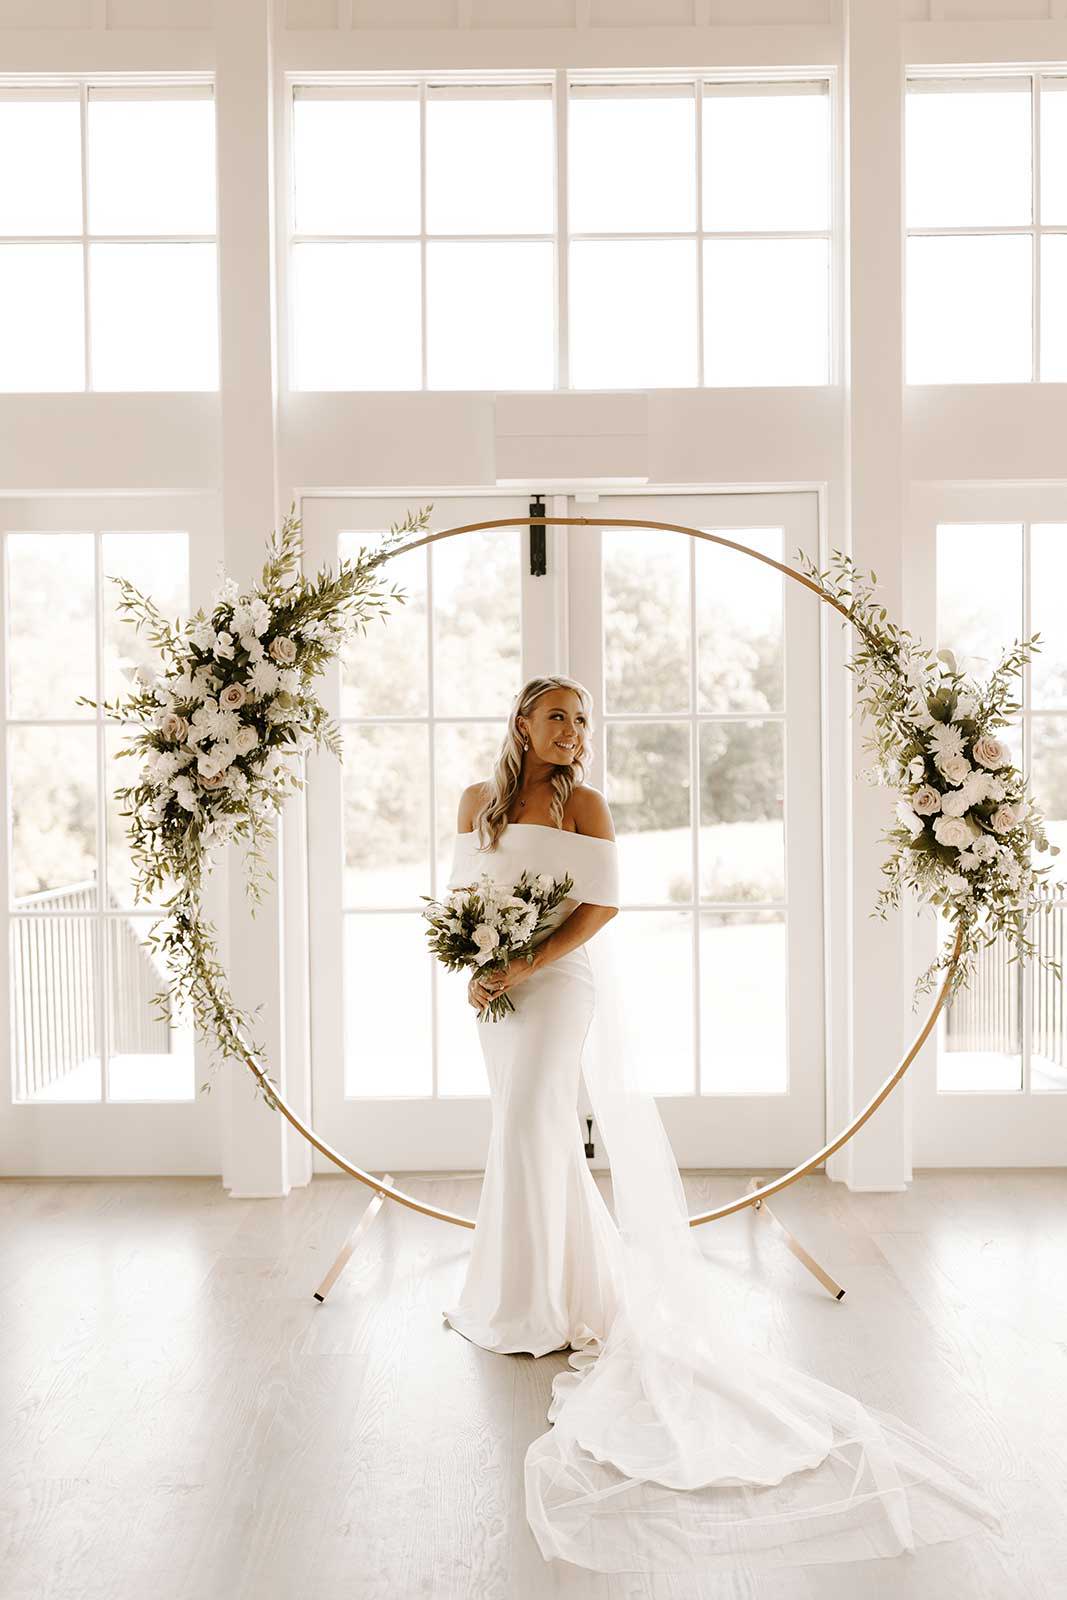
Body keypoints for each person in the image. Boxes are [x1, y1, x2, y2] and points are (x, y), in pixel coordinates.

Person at [441, 674, 1006, 1580]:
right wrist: (474, 962)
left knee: (531, 1129)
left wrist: (526, 961)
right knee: (521, 1132)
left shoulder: (583, 803)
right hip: (491, 991)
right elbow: (462, 895)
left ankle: (544, 1302)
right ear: (520, 721)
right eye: (558, 716)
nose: (573, 730)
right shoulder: (475, 800)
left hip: (555, 986)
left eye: (582, 718)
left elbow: (602, 906)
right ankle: (525, 1289)